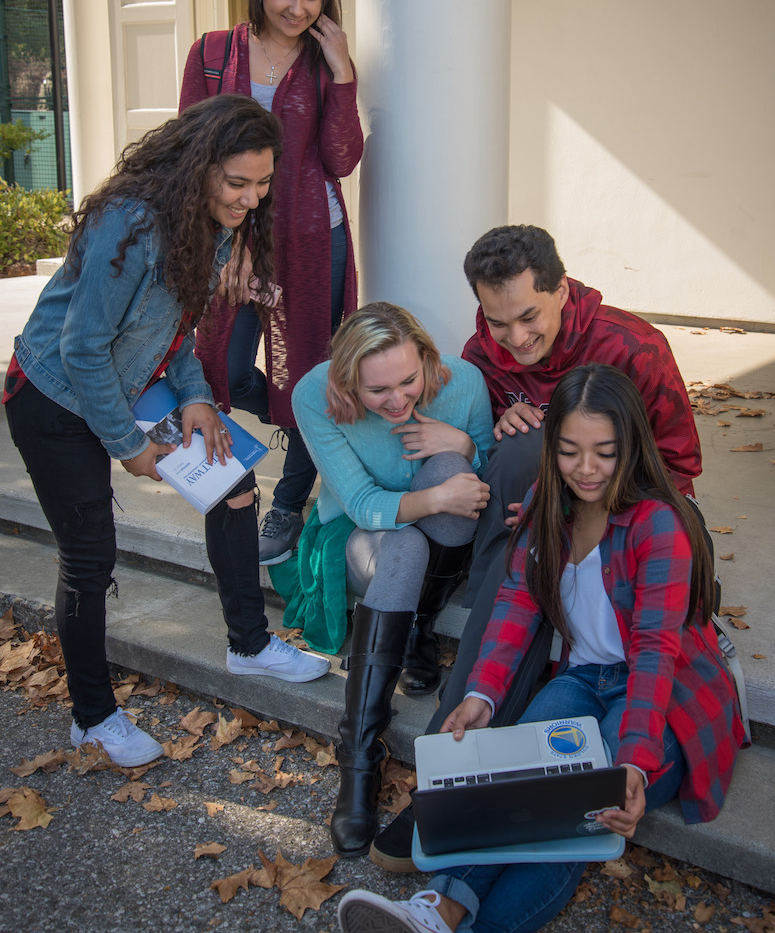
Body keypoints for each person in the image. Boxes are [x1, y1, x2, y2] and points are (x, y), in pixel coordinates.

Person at [339, 364, 747, 933]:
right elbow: (517, 601)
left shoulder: (659, 524)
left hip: (666, 693)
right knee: (515, 781)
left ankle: (463, 921)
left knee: (573, 808)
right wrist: (482, 692)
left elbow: (655, 651)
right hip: (584, 678)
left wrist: (634, 760)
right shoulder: (548, 502)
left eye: (604, 452)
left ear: (631, 444)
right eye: (570, 451)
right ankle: (439, 908)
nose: (586, 469)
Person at [4, 94, 329, 770]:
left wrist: (196, 398)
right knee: (90, 558)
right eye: (237, 182)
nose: (249, 199)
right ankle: (92, 717)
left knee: (235, 485)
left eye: (262, 183)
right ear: (197, 166)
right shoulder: (127, 223)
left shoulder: (206, 223)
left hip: (128, 382)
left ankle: (248, 645)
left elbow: (174, 332)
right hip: (55, 399)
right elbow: (82, 347)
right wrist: (129, 446)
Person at [371, 222, 705, 868]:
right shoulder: (483, 353)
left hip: (630, 520)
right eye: (499, 324)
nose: (516, 339)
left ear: (560, 289)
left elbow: (681, 468)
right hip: (535, 530)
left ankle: (468, 746)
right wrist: (498, 435)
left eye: (528, 316)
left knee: (530, 469)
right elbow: (493, 469)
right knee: (519, 463)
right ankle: (462, 748)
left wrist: (592, 507)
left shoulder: (632, 346)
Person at [179, 0, 363, 567]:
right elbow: (190, 153)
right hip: (233, 244)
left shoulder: (323, 62)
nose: (297, 8)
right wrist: (224, 245)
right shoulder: (211, 52)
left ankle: (287, 505)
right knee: (221, 372)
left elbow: (342, 158)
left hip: (315, 243)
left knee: (313, 379)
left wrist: (342, 72)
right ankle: (292, 427)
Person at [285, 302, 494, 857]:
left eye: (409, 380)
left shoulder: (463, 381)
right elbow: (358, 501)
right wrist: (433, 499)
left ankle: (419, 627)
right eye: (377, 392)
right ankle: (359, 755)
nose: (398, 401)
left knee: (453, 470)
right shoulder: (313, 395)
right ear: (347, 380)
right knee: (404, 544)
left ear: (427, 359)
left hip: (444, 536)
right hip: (362, 535)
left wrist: (466, 447)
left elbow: (484, 479)